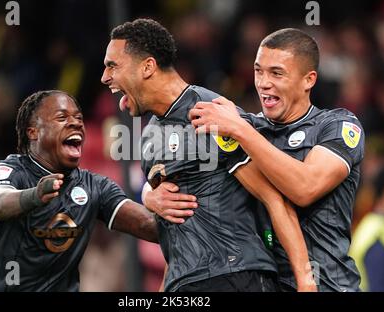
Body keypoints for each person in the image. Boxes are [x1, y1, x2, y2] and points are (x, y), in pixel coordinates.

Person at [101, 18, 316, 292]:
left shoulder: (214, 115)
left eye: (112, 66)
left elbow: (274, 199)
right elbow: (176, 229)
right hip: (184, 283)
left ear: (147, 67)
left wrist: (305, 281)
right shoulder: (147, 139)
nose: (105, 77)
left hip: (236, 275)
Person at [189, 28, 365, 292]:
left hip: (328, 285)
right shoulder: (246, 129)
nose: (263, 82)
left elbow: (305, 188)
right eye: (259, 70)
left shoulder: (337, 126)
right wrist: (152, 194)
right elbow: (184, 169)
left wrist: (241, 131)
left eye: (277, 73)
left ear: (309, 80)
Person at [0, 90, 188, 291]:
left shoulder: (94, 186)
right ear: (33, 132)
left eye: (79, 118)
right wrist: (34, 195)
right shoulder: (9, 171)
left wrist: (200, 224)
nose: (76, 124)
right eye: (62, 118)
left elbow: (147, 225)